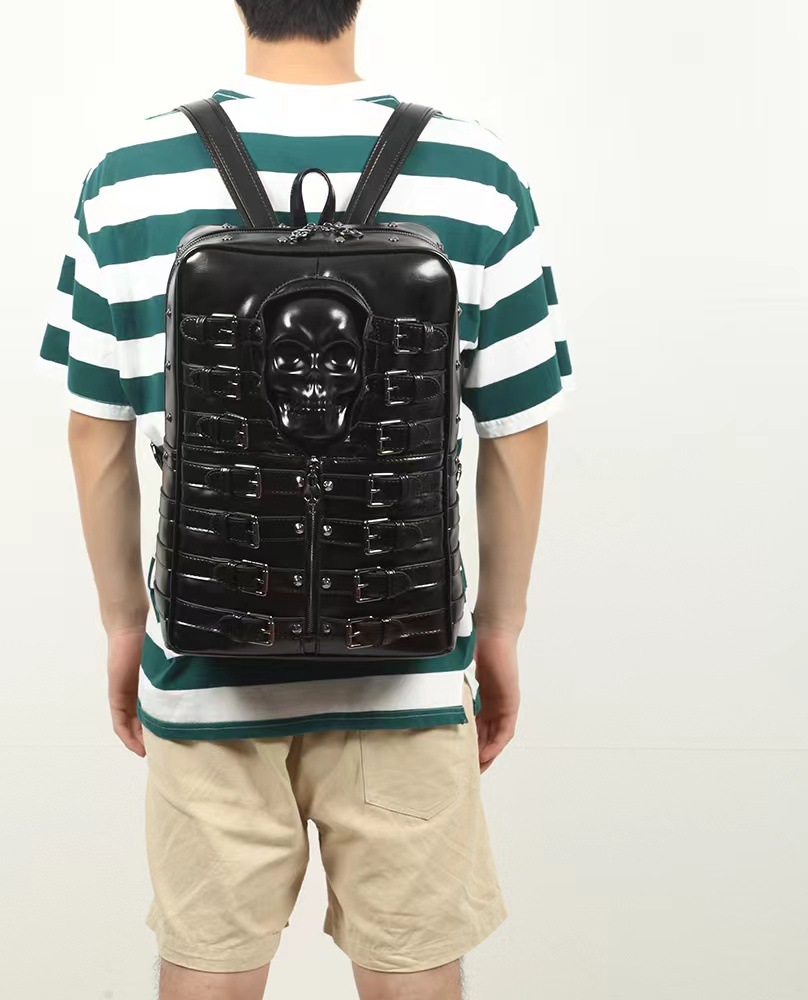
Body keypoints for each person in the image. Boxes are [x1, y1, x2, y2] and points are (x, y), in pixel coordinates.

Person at [38, 2, 572, 997]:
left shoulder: (127, 176)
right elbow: (517, 432)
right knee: (414, 971)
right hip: (409, 673)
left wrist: (123, 623)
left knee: (208, 969)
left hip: (204, 665)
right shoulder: (478, 172)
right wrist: (498, 629)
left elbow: (95, 434)